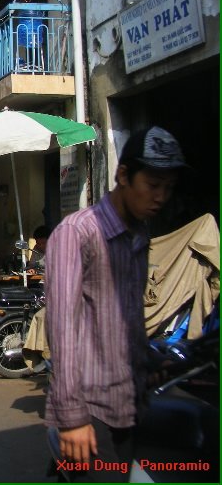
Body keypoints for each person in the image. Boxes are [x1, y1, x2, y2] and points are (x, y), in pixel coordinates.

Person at [45, 126, 187, 482]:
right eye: (153, 185)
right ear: (123, 175)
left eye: (168, 188)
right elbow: (61, 330)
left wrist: (150, 361)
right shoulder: (76, 233)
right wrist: (72, 416)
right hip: (90, 411)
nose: (160, 197)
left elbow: (124, 318)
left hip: (127, 403)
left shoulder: (139, 234)